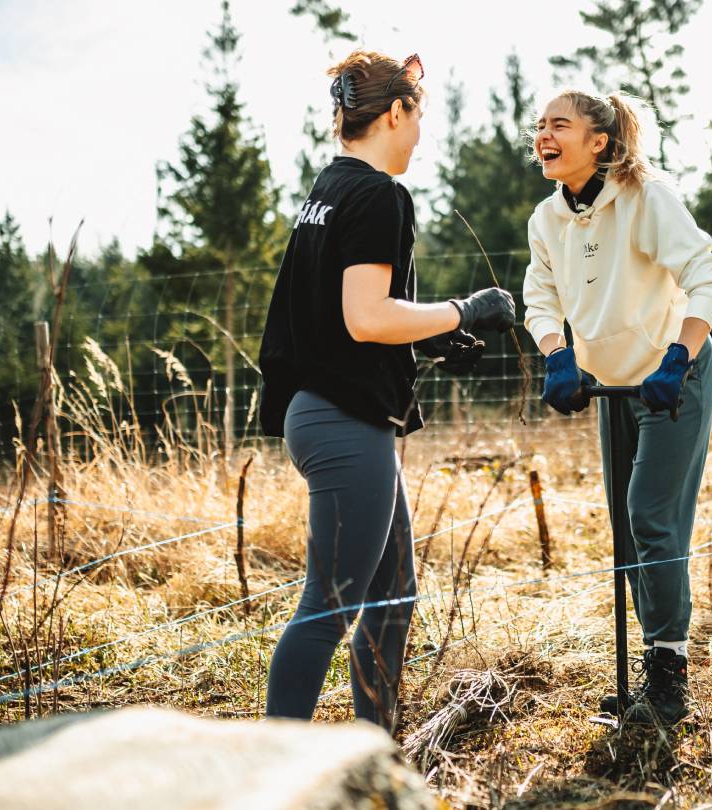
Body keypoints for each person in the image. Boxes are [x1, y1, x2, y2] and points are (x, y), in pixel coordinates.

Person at [258, 50, 515, 728]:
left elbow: (341, 315)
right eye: (418, 116)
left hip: (323, 412)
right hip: (345, 425)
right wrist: (466, 310)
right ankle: (274, 770)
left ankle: (375, 748)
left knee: (394, 593)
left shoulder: (330, 188)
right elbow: (366, 316)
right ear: (395, 112)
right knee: (329, 606)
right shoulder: (379, 195)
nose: (419, 133)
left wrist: (426, 335)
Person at [523, 90, 712, 725]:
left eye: (560, 125)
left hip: (672, 382)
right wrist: (557, 356)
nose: (544, 135)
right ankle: (649, 671)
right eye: (540, 126)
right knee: (624, 527)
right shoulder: (547, 219)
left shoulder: (647, 198)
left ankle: (670, 679)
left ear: (600, 142)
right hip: (612, 388)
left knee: (651, 519)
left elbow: (707, 276)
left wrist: (679, 358)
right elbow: (539, 298)